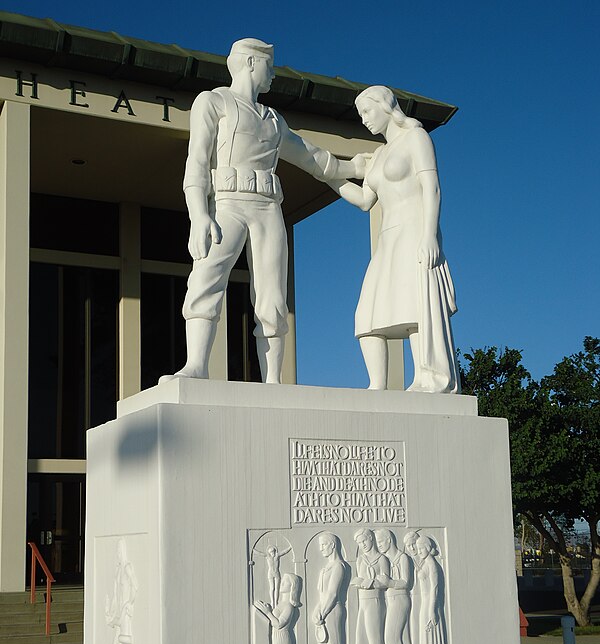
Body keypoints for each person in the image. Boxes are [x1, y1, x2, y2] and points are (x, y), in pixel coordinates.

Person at [162, 38, 364, 385]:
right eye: (270, 66)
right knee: (206, 278)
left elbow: (313, 158)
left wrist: (354, 167)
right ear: (252, 63)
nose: (273, 75)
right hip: (227, 201)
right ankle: (196, 364)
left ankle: (273, 380)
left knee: (272, 295)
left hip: (267, 207)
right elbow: (196, 160)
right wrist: (199, 215)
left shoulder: (274, 120)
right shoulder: (213, 101)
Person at [328, 85, 460, 393]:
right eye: (359, 114)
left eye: (366, 111)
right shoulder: (378, 156)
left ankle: (428, 379)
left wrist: (429, 235)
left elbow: (432, 188)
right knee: (367, 314)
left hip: (415, 230)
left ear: (385, 106)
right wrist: (328, 177)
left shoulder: (416, 138)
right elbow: (363, 200)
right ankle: (377, 386)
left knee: (416, 307)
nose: (364, 120)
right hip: (388, 239)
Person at [350, 528, 389, 644]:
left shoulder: (382, 559)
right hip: (363, 602)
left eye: (364, 541)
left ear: (371, 539)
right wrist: (361, 582)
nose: (362, 545)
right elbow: (359, 579)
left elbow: (385, 582)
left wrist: (369, 582)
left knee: (375, 642)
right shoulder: (361, 559)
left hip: (375, 601)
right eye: (359, 542)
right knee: (361, 643)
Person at [374, 529, 413, 644]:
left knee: (391, 638)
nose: (379, 545)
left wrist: (389, 582)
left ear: (389, 540)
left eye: (381, 542)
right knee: (400, 639)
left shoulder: (402, 558)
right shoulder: (386, 559)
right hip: (390, 600)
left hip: (400, 598)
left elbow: (406, 581)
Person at [312, 532, 350, 644]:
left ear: (332, 545)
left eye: (323, 545)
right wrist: (316, 611)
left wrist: (322, 612)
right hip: (324, 611)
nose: (321, 549)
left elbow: (333, 594)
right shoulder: (326, 568)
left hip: (333, 611)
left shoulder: (338, 566)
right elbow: (322, 594)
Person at [415, 534, 449, 644]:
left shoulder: (432, 565)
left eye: (422, 547)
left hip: (430, 606)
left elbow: (435, 589)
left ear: (428, 548)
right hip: (425, 605)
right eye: (418, 548)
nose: (420, 550)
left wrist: (431, 611)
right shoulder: (425, 564)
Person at [253, 541, 291, 608]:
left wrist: (290, 547)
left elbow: (284, 552)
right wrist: (253, 550)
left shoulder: (277, 556)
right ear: (269, 552)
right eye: (270, 552)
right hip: (270, 573)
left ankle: (276, 602)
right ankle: (272, 601)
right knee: (272, 588)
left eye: (273, 551)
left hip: (276, 573)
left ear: (275, 551)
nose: (272, 553)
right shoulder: (268, 556)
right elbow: (260, 553)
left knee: (277, 588)